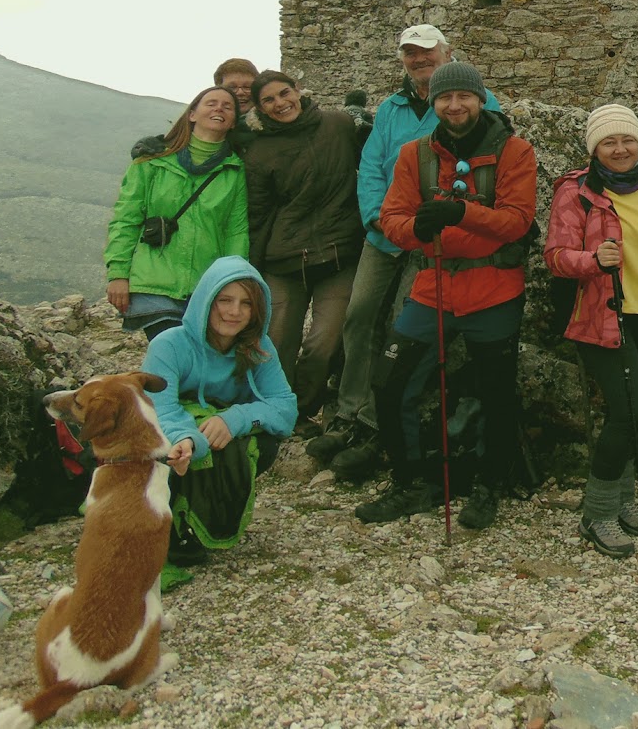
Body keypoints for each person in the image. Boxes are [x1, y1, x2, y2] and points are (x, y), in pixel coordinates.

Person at [313, 24, 503, 482]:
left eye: (426, 52)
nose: (418, 60)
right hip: (385, 233)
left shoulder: (477, 103)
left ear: (447, 52)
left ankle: (379, 424)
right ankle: (349, 411)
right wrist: (377, 218)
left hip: (434, 239)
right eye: (410, 54)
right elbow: (371, 169)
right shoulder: (390, 109)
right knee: (359, 316)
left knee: (403, 328)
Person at [355, 62, 536, 531]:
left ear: (480, 99)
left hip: (494, 290)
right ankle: (410, 480)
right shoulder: (415, 155)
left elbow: (515, 221)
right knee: (391, 382)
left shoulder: (515, 152)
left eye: (464, 97)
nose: (454, 106)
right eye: (444, 98)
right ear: (433, 103)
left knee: (494, 391)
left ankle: (489, 481)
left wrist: (459, 213)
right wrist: (418, 227)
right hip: (432, 288)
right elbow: (392, 217)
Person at [544, 104, 638, 558]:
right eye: (609, 142)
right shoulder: (577, 192)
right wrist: (593, 261)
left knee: (633, 413)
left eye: (628, 140)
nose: (621, 149)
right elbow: (555, 255)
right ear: (594, 149)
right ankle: (598, 512)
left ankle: (624, 498)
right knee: (631, 414)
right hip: (604, 316)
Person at [143, 256, 297, 564]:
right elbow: (160, 409)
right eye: (224, 300)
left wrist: (234, 419)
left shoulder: (258, 347)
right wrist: (187, 440)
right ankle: (167, 521)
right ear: (205, 301)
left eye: (246, 304)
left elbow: (285, 408)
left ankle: (203, 517)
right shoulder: (168, 345)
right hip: (174, 436)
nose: (234, 312)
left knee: (263, 444)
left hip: (217, 431)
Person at [242, 70, 368, 423]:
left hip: (339, 253)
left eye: (284, 93)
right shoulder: (259, 150)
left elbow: (371, 169)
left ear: (298, 91)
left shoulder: (340, 125)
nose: (280, 103)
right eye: (269, 100)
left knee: (323, 343)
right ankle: (276, 410)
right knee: (277, 342)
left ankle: (302, 407)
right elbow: (257, 213)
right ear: (259, 108)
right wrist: (250, 269)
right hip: (283, 259)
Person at [105, 87, 249, 340]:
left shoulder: (234, 171)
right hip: (155, 283)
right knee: (171, 352)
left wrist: (233, 281)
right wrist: (118, 274)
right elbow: (126, 219)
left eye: (228, 107)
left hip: (206, 285)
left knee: (199, 365)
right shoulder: (151, 161)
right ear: (192, 114)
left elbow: (235, 232)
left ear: (233, 122)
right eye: (211, 103)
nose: (219, 109)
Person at [130, 57, 259, 159]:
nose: (241, 92)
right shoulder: (200, 126)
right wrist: (147, 146)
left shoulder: (271, 126)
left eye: (247, 87)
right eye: (232, 87)